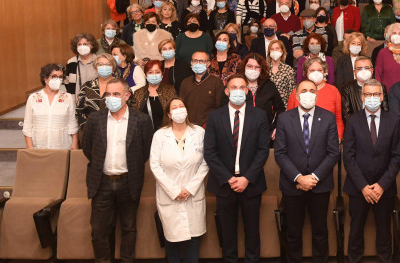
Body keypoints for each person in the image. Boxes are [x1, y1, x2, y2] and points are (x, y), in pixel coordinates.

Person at [82, 78, 153, 263]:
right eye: (108, 94)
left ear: (127, 96)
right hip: (101, 182)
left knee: (129, 228)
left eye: (116, 94)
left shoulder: (142, 120)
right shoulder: (95, 119)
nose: (111, 98)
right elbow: (88, 149)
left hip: (129, 181)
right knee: (99, 231)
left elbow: (145, 152)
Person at [203, 74, 271, 263]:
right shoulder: (215, 117)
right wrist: (228, 178)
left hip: (251, 183)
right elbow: (209, 152)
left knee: (252, 231)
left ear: (247, 91)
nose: (238, 91)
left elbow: (263, 150)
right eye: (234, 87)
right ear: (226, 91)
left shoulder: (259, 115)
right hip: (225, 185)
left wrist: (247, 178)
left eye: (242, 87)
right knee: (227, 233)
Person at [274, 79, 341, 263]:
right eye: (304, 90)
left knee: (320, 231)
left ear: (317, 95)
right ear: (296, 95)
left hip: (320, 185)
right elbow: (280, 153)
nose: (308, 94)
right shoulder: (284, 118)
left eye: (312, 90)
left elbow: (333, 152)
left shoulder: (327, 117)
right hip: (292, 185)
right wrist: (298, 178)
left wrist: (314, 177)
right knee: (293, 232)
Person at [343, 77, 400, 263]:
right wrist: (363, 186)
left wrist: (382, 185)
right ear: (361, 97)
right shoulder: (352, 121)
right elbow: (348, 157)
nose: (372, 98)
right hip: (358, 188)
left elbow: (397, 157)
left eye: (376, 94)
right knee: (355, 233)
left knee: (385, 234)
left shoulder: (393, 121)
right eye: (368, 94)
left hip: (384, 189)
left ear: (382, 96)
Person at [149, 97, 209, 263]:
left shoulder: (199, 133)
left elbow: (206, 163)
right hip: (169, 196)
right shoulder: (160, 135)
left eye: (181, 106)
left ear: (187, 110)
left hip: (193, 194)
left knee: (193, 241)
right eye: (174, 107)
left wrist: (190, 189)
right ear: (169, 114)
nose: (178, 110)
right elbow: (155, 165)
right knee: (172, 241)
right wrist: (174, 191)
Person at [23, 64, 78, 150]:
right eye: (54, 76)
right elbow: (27, 125)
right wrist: (29, 146)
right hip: (39, 146)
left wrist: (74, 145)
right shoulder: (33, 98)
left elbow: (73, 124)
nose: (58, 80)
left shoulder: (68, 97)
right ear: (45, 78)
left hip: (62, 146)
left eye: (60, 77)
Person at [287, 57, 344, 139]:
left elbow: (338, 119)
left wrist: (338, 137)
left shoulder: (333, 91)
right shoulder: (296, 92)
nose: (316, 73)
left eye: (320, 70)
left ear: (324, 72)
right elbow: (289, 118)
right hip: (300, 138)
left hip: (327, 138)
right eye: (312, 70)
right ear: (306, 73)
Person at [239, 53, 285, 135]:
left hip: (264, 133)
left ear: (261, 69)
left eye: (257, 67)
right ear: (244, 67)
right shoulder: (236, 85)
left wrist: (276, 126)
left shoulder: (269, 85)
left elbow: (280, 108)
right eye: (249, 66)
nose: (253, 69)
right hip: (240, 132)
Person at [128, 60, 178, 130]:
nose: (154, 75)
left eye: (157, 72)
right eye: (150, 72)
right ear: (145, 75)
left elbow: (175, 112)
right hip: (144, 133)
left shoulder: (170, 90)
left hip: (166, 132)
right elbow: (133, 115)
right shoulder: (138, 93)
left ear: (162, 74)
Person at [179, 51, 225, 126]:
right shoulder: (185, 82)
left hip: (209, 126)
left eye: (202, 61)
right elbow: (181, 106)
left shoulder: (217, 82)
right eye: (195, 61)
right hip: (189, 126)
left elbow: (220, 108)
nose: (198, 63)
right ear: (191, 63)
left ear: (208, 63)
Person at [76, 54, 117, 134]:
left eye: (108, 64)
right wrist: (87, 129)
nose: (104, 67)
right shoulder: (87, 86)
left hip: (116, 132)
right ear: (96, 67)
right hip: (90, 132)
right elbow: (79, 111)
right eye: (101, 64)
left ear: (113, 68)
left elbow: (129, 109)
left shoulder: (121, 86)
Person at [340, 56, 389, 121]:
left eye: (367, 68)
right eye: (359, 68)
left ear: (372, 70)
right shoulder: (347, 88)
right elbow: (346, 114)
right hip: (356, 127)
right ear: (354, 72)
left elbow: (385, 110)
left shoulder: (381, 86)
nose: (363, 71)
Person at [374, 23, 400, 91]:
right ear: (390, 36)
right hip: (388, 92)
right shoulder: (382, 53)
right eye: (394, 33)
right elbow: (377, 74)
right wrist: (379, 91)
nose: (397, 36)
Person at [66, 33, 99, 98]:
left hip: (96, 101)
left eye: (85, 44)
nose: (82, 46)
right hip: (77, 101)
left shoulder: (99, 61)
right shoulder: (71, 62)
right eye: (79, 44)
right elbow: (67, 83)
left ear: (91, 46)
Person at [267, 39, 296, 108]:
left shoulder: (288, 70)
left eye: (277, 48)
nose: (274, 51)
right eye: (272, 49)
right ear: (269, 52)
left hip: (284, 107)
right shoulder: (264, 69)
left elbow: (291, 92)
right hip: (267, 107)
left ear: (282, 51)